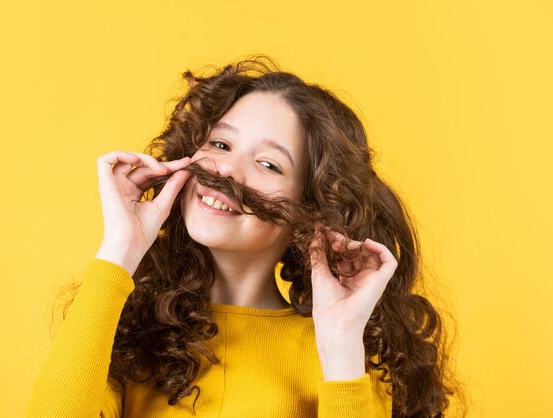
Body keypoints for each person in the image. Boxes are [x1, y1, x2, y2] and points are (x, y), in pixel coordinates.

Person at [25, 56, 463, 417]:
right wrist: (120, 248)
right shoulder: (125, 331)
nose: (227, 172)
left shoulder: (345, 356)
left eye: (269, 164)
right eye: (220, 145)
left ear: (311, 207)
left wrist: (341, 343)